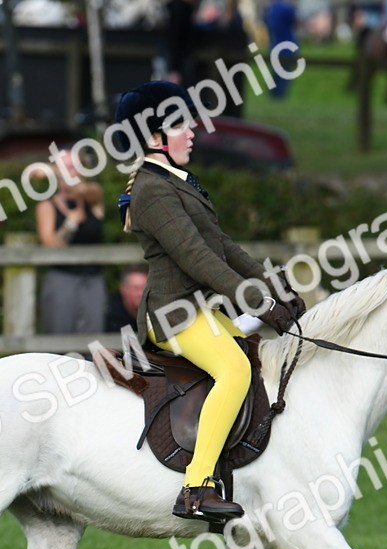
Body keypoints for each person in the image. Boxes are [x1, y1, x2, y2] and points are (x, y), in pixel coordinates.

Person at [113, 81, 303, 521]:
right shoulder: (152, 191)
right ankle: (195, 489)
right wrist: (258, 304)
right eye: (181, 125)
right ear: (154, 136)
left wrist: (277, 289)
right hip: (172, 314)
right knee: (234, 370)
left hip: (199, 310)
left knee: (258, 360)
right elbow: (196, 257)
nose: (193, 132)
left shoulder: (178, 182)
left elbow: (224, 247)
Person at [36, 149, 107, 334]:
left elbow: (81, 190)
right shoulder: (46, 206)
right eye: (65, 167)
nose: (71, 172)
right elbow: (50, 245)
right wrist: (71, 224)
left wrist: (53, 171)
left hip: (94, 280)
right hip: (61, 280)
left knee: (93, 340)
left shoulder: (93, 196)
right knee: (58, 338)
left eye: (74, 166)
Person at [263, 0, 298, 100]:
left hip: (274, 43)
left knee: (275, 71)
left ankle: (273, 95)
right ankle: (280, 96)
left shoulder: (270, 8)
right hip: (287, 43)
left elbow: (266, 22)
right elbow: (295, 22)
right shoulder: (286, 8)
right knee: (285, 71)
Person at [104, 265, 148, 333]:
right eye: (136, 288)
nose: (140, 293)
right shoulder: (111, 315)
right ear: (123, 290)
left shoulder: (158, 309)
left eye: (144, 288)